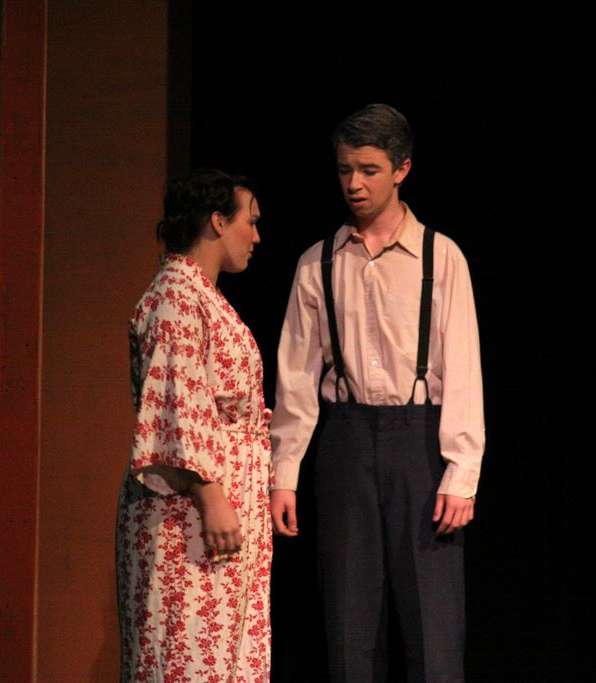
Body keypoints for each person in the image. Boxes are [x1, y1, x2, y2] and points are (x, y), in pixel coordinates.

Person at [270, 104, 484, 682]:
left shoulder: (441, 257)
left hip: (419, 443)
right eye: (345, 169)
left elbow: (464, 371)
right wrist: (285, 473)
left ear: (401, 169)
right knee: (349, 622)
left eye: (368, 170)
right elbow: (296, 377)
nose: (354, 184)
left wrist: (461, 472)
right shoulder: (318, 262)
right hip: (344, 440)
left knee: (434, 626)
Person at [116, 168, 272, 681]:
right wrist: (210, 495)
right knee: (186, 659)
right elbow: (175, 401)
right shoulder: (176, 296)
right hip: (189, 513)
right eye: (250, 221)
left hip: (219, 507)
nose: (256, 236)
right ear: (217, 221)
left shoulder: (202, 294)